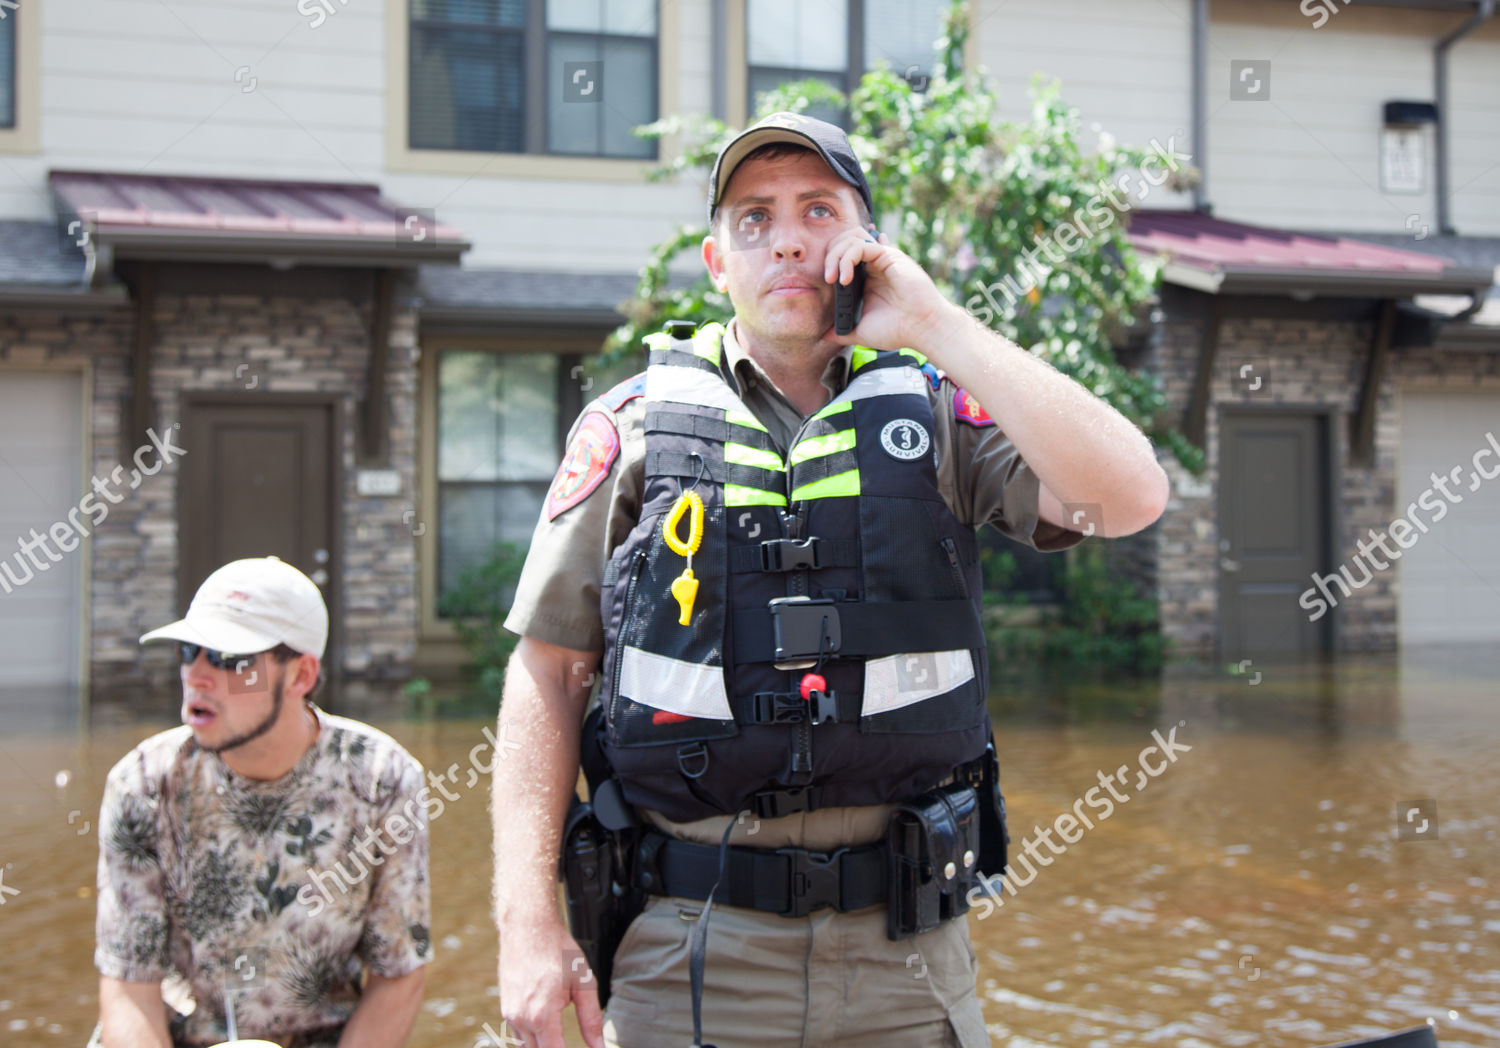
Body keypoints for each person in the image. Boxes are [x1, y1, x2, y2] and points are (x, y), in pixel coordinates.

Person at [491, 112, 1169, 1048]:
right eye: (754, 218)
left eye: (818, 209)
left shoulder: (937, 415)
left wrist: (935, 323)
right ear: (717, 259)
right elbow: (549, 671)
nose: (788, 239)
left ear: (866, 245)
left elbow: (1130, 495)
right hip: (688, 956)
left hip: (908, 958)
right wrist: (526, 924)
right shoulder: (635, 426)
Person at [92, 556, 430, 1048]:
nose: (198, 676)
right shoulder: (142, 785)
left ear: (300, 675)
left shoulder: (383, 781)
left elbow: (398, 974)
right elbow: (128, 984)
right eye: (191, 650)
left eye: (231, 659)